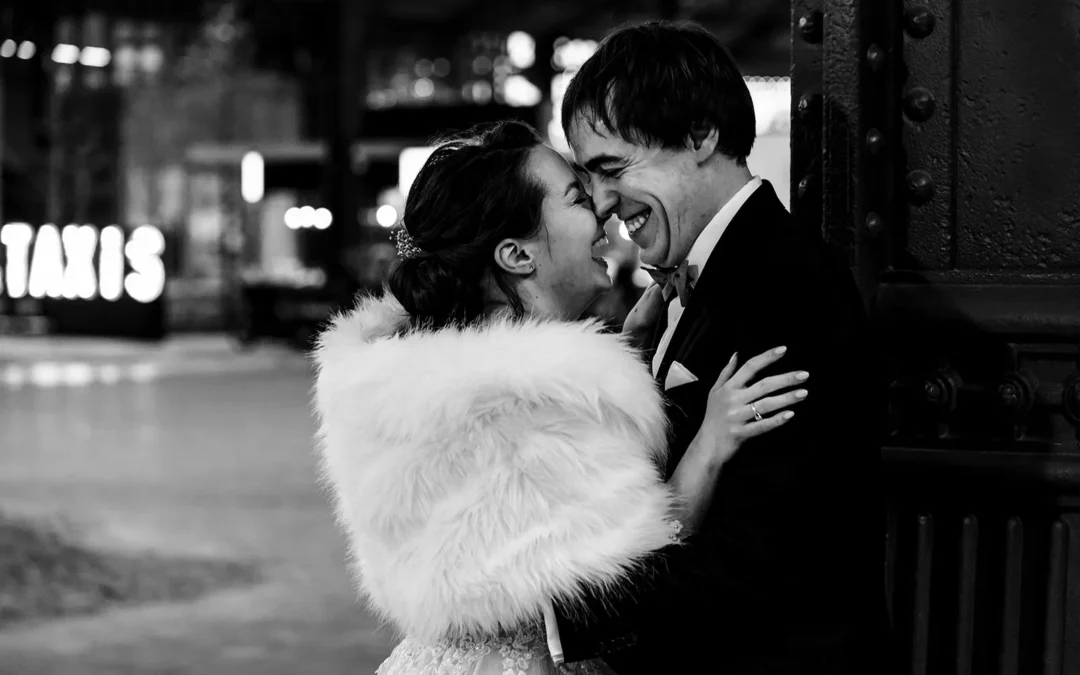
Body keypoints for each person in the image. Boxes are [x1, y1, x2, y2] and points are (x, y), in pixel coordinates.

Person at [312, 120, 810, 675]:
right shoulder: (531, 397)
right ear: (517, 256)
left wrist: (624, 354)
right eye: (576, 198)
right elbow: (632, 574)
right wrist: (711, 445)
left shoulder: (423, 378)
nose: (601, 211)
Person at [547, 20, 886, 674]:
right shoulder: (700, 283)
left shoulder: (783, 285)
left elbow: (759, 550)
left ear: (701, 136)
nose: (603, 201)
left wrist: (573, 608)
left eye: (612, 168)